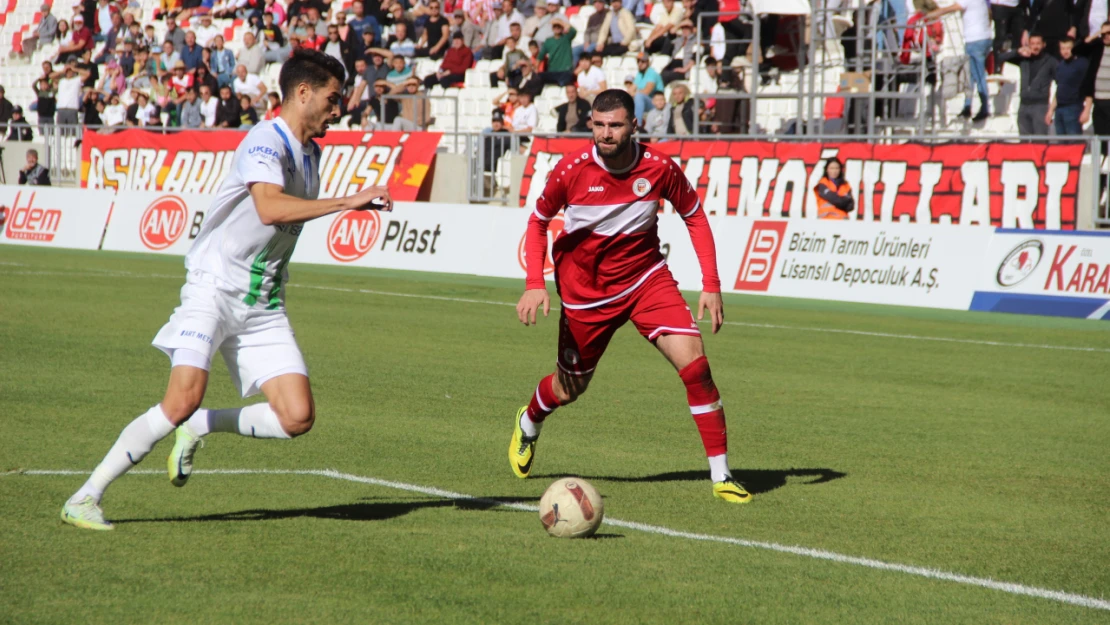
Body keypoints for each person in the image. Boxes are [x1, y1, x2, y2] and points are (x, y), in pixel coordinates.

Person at [60, 49, 395, 532]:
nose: (338, 109)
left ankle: (203, 426)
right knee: (181, 399)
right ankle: (85, 496)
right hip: (213, 289)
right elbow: (269, 209)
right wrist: (348, 201)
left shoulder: (311, 152)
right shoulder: (265, 139)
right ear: (303, 93)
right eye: (332, 98)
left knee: (297, 417)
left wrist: (346, 203)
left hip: (263, 303)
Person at [511, 88, 749, 504]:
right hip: (586, 294)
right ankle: (530, 420)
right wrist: (535, 281)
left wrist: (710, 283)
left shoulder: (659, 167)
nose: (606, 133)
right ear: (591, 125)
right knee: (570, 389)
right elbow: (538, 222)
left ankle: (722, 475)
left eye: (615, 125)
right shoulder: (571, 170)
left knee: (696, 367)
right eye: (599, 125)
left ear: (634, 126)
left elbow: (694, 215)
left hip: (645, 281)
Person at [927, 0, 993, 120]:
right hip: (982, 38)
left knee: (978, 75)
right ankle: (968, 106)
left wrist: (931, 14)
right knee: (971, 75)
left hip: (975, 40)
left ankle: (984, 108)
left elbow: (949, 9)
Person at [1000, 33, 1057, 135]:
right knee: (1024, 143)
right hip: (1023, 105)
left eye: (1038, 44)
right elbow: (1001, 57)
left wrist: (1051, 109)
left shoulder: (1051, 61)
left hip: (1040, 105)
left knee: (1040, 142)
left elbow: (1061, 83)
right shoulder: (1023, 59)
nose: (1035, 47)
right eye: (1032, 44)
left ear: (1044, 44)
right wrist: (1018, 51)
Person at [1048, 36, 1091, 134]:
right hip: (1059, 109)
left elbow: (1089, 86)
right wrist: (1051, 110)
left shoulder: (1082, 63)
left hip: (1074, 107)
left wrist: (1087, 110)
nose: (1065, 51)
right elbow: (1059, 88)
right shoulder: (1061, 65)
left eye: (1068, 48)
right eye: (1062, 48)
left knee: (1074, 143)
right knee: (1061, 145)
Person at [539, 17, 577, 85]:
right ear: (552, 28)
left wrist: (560, 22)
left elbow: (573, 30)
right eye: (555, 26)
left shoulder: (566, 37)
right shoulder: (548, 41)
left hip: (565, 71)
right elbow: (540, 56)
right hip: (552, 71)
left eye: (559, 27)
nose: (557, 28)